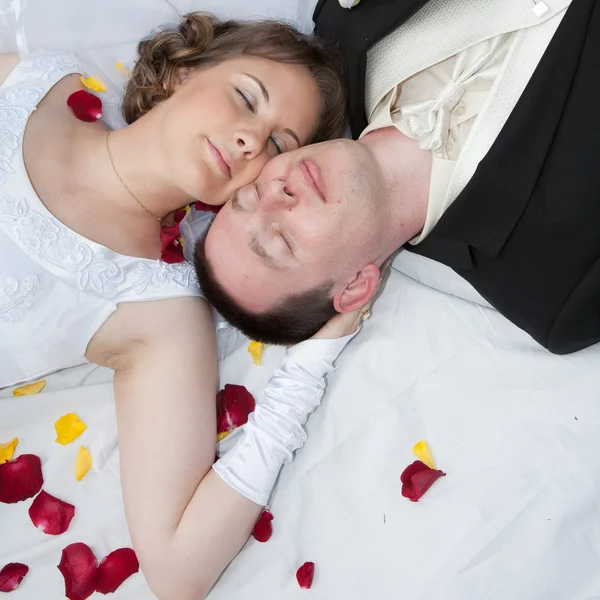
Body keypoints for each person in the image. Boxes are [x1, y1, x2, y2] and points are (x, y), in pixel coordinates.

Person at [0, 12, 363, 600]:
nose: (250, 139)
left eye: (276, 145)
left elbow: (177, 569)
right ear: (182, 71)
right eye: (246, 98)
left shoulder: (157, 313)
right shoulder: (37, 84)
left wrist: (314, 361)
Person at [196, 0, 600, 355]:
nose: (275, 194)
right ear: (355, 287)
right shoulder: (560, 286)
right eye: (281, 238)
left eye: (251, 193)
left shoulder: (342, 25)